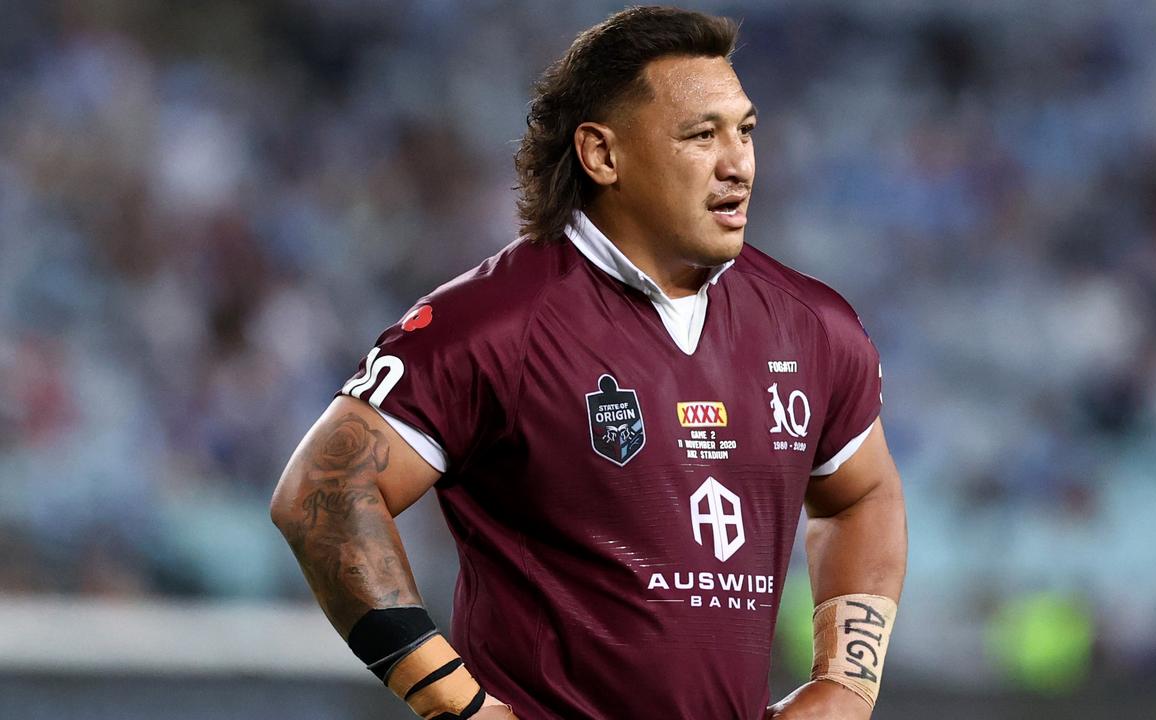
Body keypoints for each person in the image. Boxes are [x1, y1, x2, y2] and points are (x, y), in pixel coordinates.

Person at [270, 6, 907, 719]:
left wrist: (846, 683)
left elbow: (861, 495)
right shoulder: (494, 325)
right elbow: (321, 495)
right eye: (702, 135)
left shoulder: (813, 327)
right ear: (603, 155)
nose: (739, 164)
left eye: (746, 131)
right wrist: (458, 706)